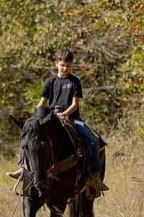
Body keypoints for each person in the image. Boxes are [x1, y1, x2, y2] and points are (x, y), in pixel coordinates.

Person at [8, 48, 108, 195]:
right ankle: (23, 169)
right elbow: (42, 103)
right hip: (50, 118)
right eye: (62, 65)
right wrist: (36, 117)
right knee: (28, 134)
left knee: (93, 140)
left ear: (71, 65)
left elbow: (75, 104)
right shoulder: (50, 82)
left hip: (71, 117)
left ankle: (94, 176)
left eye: (68, 66)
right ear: (56, 64)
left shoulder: (74, 81)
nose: (65, 68)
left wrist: (65, 114)